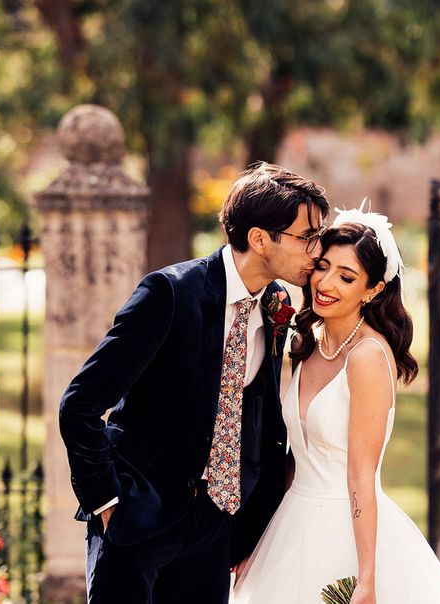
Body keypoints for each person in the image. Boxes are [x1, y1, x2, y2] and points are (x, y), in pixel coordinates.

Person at [58, 162, 329, 603]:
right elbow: (80, 405)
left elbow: (256, 414)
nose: (317, 251)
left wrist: (249, 524)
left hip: (216, 527)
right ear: (260, 239)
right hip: (138, 518)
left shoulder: (276, 304)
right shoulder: (169, 294)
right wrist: (107, 501)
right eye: (307, 237)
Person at [233, 203, 440, 603]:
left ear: (373, 289)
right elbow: (295, 461)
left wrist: (367, 577)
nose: (325, 283)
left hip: (347, 529)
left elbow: (361, 474)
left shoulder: (366, 357)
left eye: (346, 277)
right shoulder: (307, 342)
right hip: (290, 523)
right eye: (323, 266)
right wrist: (256, 544)